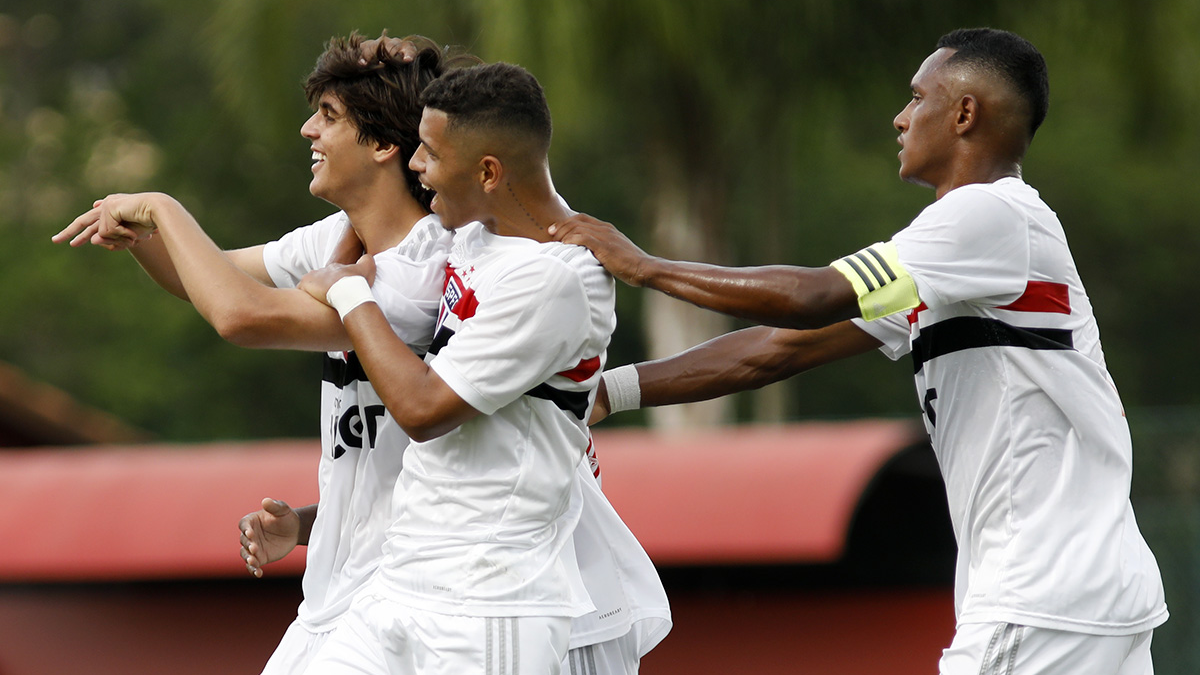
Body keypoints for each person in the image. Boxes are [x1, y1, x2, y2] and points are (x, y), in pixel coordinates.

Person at [551, 28, 1167, 675]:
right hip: (1091, 589)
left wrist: (643, 266)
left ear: (964, 113)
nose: (901, 117)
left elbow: (812, 297)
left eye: (917, 97)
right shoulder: (962, 256)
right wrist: (612, 390)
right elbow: (778, 350)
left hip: (1043, 596)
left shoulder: (988, 217)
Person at [54, 33, 470, 674]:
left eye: (328, 117)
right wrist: (138, 236)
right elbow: (204, 275)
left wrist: (161, 206)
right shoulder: (336, 236)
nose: (307, 130)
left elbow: (239, 315)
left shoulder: (423, 273)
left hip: (409, 600)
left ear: (386, 146)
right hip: (332, 596)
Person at [295, 61, 669, 675]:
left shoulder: (556, 279)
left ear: (489, 172)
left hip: (487, 606)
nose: (416, 165)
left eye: (432, 154)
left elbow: (421, 410)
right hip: (399, 583)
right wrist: (393, 65)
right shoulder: (472, 236)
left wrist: (349, 294)